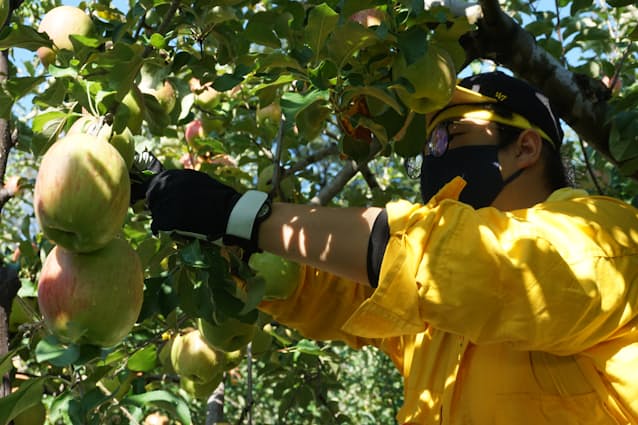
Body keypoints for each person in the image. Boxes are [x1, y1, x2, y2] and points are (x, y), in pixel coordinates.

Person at [142, 71, 638, 424]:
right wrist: (234, 248)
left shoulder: (609, 236)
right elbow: (337, 293)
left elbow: (469, 267)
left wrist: (247, 217)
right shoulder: (431, 317)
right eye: (428, 146)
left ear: (525, 148)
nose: (432, 155)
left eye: (449, 136)